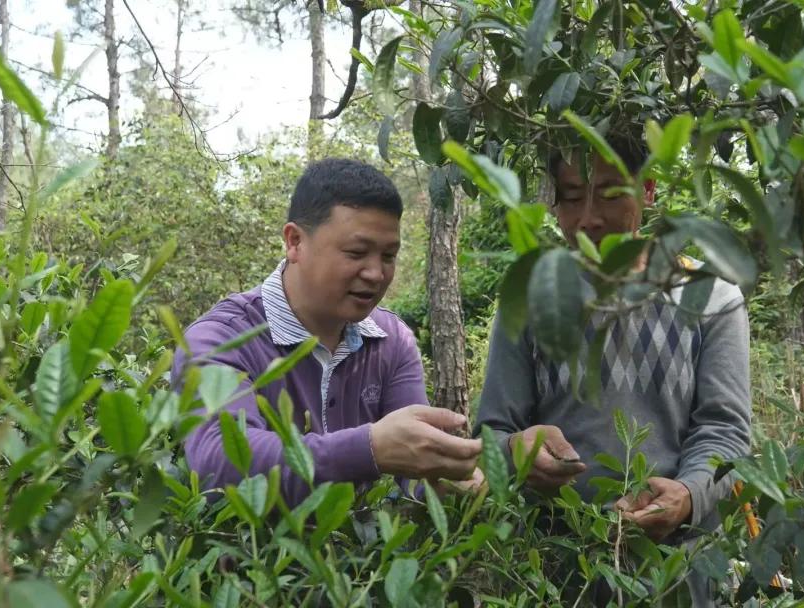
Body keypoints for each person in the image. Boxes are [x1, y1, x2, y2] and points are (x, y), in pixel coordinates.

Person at [475, 138, 751, 602]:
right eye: (571, 196)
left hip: (677, 571)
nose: (588, 218)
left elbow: (724, 431)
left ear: (646, 190)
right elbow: (493, 430)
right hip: (554, 569)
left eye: (607, 193)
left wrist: (686, 495)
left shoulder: (711, 298)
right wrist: (516, 452)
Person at [173, 158, 481, 507]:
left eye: (389, 256)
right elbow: (220, 460)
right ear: (295, 242)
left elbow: (414, 477)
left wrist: (457, 478)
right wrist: (370, 448)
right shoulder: (221, 339)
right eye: (356, 253)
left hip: (364, 561)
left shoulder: (391, 341)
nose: (375, 273)